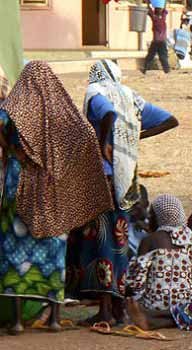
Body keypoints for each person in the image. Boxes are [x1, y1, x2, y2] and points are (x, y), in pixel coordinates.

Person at [0, 61, 113, 335]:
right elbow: (86, 134)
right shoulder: (63, 115)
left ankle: (16, 321)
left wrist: (15, 152)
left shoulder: (9, 113)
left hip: (18, 185)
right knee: (53, 250)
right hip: (53, 191)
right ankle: (53, 319)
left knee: (14, 250)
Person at [79, 59, 179, 325]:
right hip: (126, 177)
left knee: (101, 242)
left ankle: (105, 311)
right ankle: (120, 308)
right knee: (120, 241)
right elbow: (170, 120)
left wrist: (103, 144)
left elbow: (108, 114)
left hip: (101, 179)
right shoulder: (131, 97)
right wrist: (133, 138)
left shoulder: (96, 93)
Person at [126, 195, 192, 312]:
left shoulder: (149, 241)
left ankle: (155, 316)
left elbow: (136, 282)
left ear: (159, 218)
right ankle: (174, 316)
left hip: (154, 304)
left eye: (152, 214)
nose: (149, 217)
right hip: (187, 303)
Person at [143, 2, 170, 74]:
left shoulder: (154, 18)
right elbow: (164, 9)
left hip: (156, 41)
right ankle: (167, 70)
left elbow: (149, 10)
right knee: (163, 56)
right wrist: (164, 2)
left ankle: (145, 68)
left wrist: (148, 3)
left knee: (150, 56)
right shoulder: (163, 18)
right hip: (162, 41)